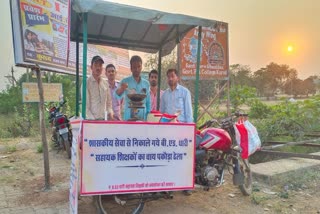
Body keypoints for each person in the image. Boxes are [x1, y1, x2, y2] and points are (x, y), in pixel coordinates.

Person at [115, 55, 151, 120]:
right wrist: (122, 88)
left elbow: (148, 102)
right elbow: (116, 95)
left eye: (138, 66)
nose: (136, 69)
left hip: (143, 118)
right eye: (134, 67)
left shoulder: (146, 83)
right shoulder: (125, 81)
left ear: (141, 67)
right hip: (129, 117)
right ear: (131, 68)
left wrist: (148, 115)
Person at [85, 55, 114, 120]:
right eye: (96, 65)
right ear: (91, 67)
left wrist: (110, 113)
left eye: (100, 65)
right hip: (91, 121)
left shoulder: (105, 83)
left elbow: (109, 104)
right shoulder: (86, 83)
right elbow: (85, 107)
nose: (98, 68)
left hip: (104, 121)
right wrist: (93, 121)